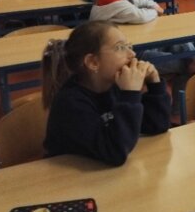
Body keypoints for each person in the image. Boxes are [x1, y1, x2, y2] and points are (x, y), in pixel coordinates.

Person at [42, 21, 171, 166]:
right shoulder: (70, 103)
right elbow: (114, 152)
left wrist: (154, 84)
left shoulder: (115, 87)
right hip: (68, 177)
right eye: (120, 47)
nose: (132, 54)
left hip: (101, 173)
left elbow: (156, 125)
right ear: (93, 62)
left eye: (129, 46)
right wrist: (130, 94)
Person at [89, 0, 195, 108]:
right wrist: (155, 10)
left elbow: (140, 1)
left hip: (135, 47)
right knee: (185, 64)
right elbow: (142, 16)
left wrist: (153, 5)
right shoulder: (115, 4)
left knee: (181, 43)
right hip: (127, 59)